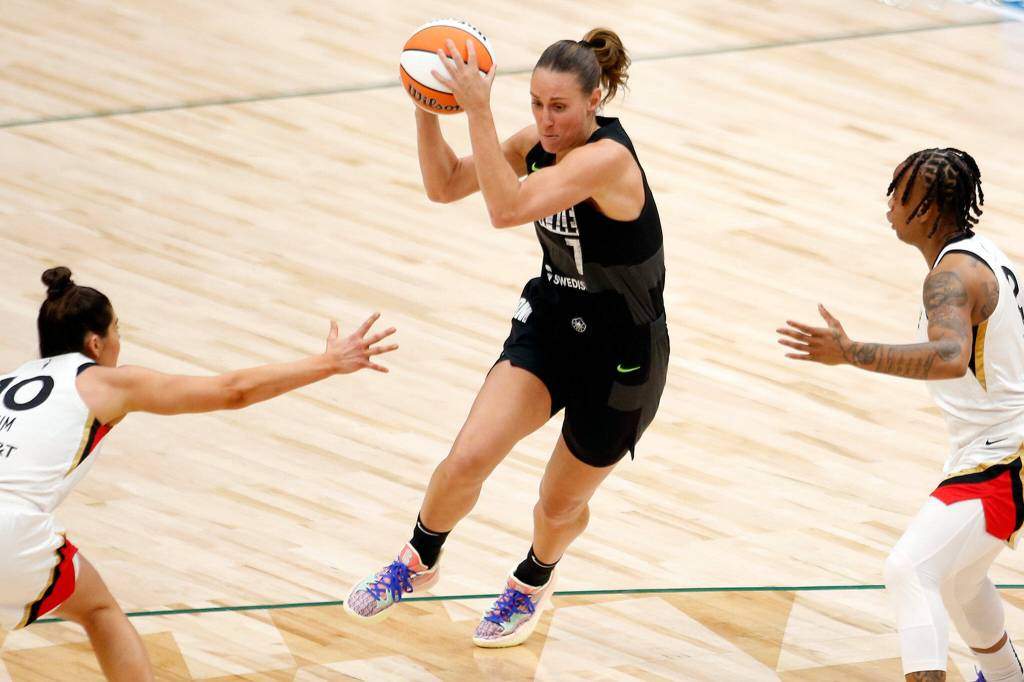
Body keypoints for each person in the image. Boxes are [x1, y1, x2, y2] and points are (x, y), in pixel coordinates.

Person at [345, 27, 669, 648]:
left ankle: (532, 580)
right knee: (468, 455)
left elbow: (504, 209)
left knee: (555, 506)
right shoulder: (537, 141)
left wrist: (480, 110)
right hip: (552, 322)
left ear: (595, 99)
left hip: (623, 353)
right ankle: (418, 561)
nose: (546, 121)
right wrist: (429, 109)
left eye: (560, 107)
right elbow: (446, 186)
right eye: (537, 105)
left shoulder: (606, 159)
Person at [0, 267, 397, 681]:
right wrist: (327, 363)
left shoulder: (5, 381)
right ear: (96, 343)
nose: (120, 341)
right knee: (99, 610)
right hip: (13, 530)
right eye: (118, 329)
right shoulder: (105, 382)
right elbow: (232, 390)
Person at [778, 148, 1024, 682]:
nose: (889, 202)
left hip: (1007, 455)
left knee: (910, 570)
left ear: (929, 210)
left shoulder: (950, 278)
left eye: (900, 193)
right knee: (958, 580)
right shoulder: (978, 255)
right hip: (994, 448)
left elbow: (950, 357)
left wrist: (852, 352)